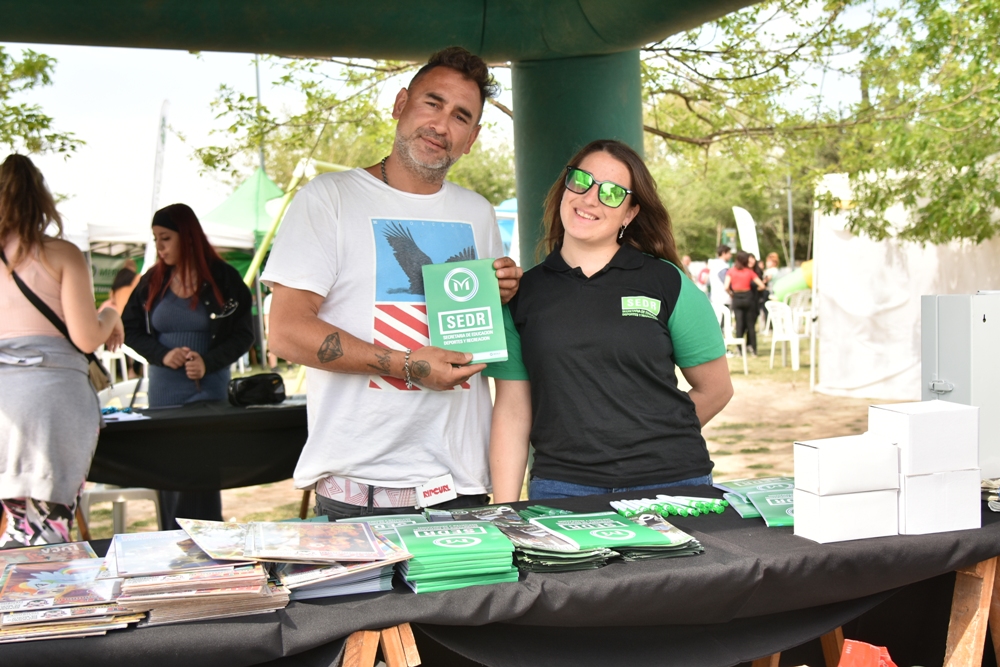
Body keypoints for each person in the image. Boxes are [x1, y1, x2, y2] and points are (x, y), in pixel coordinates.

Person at [262, 47, 523, 520]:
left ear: (472, 138)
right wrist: (406, 365)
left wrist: (501, 288)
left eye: (461, 116)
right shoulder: (330, 198)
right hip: (361, 494)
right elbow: (285, 331)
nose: (441, 125)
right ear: (401, 104)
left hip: (461, 486)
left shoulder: (479, 212)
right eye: (432, 103)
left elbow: (476, 324)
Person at [485, 139, 734, 502]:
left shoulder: (666, 282)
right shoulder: (523, 293)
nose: (590, 198)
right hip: (563, 486)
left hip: (672, 485)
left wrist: (650, 441)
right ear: (564, 187)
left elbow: (717, 389)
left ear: (630, 213)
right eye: (582, 181)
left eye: (613, 193)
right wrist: (505, 509)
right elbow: (512, 410)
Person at [0, 154, 123, 547]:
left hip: (4, 399)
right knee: (48, 531)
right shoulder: (61, 253)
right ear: (43, 199)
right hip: (51, 398)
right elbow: (87, 337)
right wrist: (110, 313)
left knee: (18, 526)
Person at [122, 203, 253, 529]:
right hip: (164, 398)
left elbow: (243, 335)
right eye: (155, 239)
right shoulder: (152, 280)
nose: (159, 247)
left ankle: (209, 552)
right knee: (169, 481)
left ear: (188, 236)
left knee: (201, 481)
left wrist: (208, 363)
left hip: (209, 396)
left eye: (165, 238)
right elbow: (129, 328)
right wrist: (162, 354)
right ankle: (172, 551)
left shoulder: (225, 278)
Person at [724, 250, 766, 356]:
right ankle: (753, 349)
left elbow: (726, 286)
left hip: (737, 298)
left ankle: (739, 350)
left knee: (739, 324)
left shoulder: (731, 271)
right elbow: (762, 285)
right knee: (750, 325)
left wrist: (731, 293)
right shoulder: (749, 272)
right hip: (748, 297)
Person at [708, 244, 732, 312]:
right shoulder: (722, 266)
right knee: (724, 321)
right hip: (723, 298)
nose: (731, 256)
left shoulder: (713, 264)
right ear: (724, 253)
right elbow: (727, 282)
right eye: (729, 253)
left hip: (714, 297)